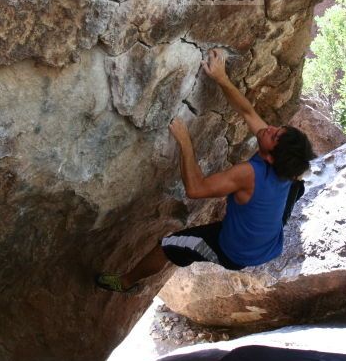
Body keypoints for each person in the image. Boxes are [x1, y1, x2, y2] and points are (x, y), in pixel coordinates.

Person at [95, 49, 315, 293]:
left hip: (234, 251)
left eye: (274, 135)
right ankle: (287, 194)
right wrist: (221, 78)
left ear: (272, 158)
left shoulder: (249, 173)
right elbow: (247, 113)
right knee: (296, 184)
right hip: (270, 243)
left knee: (168, 246)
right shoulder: (284, 164)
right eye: (277, 129)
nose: (270, 128)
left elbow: (195, 189)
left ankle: (126, 281)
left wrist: (185, 142)